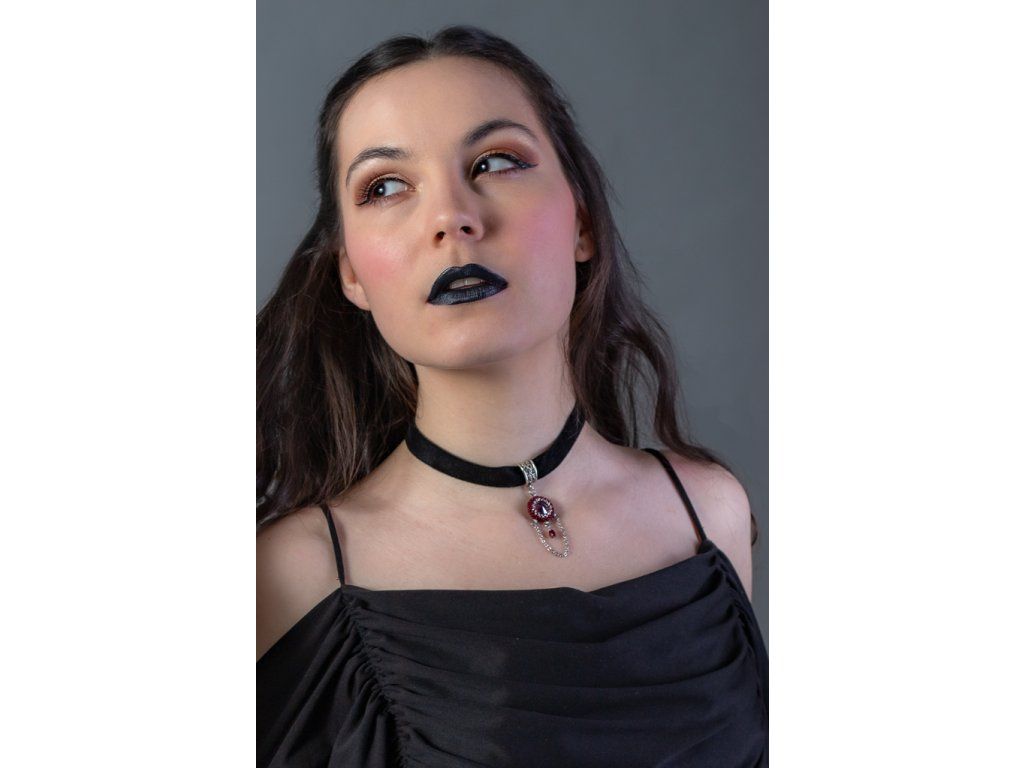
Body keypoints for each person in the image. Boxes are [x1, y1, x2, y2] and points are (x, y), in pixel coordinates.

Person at [257, 24, 767, 768]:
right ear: (352, 275)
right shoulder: (290, 578)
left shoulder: (708, 514)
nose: (451, 218)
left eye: (495, 162)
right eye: (386, 186)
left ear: (582, 223)